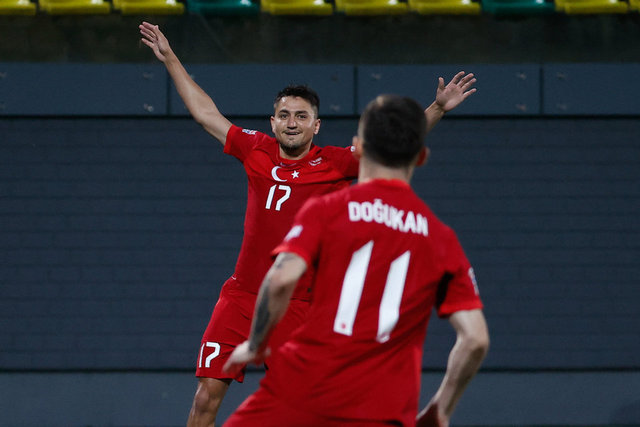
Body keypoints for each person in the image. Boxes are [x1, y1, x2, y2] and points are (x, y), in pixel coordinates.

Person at [139, 21, 478, 427]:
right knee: (204, 399)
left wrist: (437, 109)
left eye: (301, 116)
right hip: (242, 297)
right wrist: (170, 58)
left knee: (300, 411)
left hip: (301, 306)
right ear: (272, 122)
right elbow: (205, 113)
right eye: (284, 115)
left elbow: (392, 148)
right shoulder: (255, 149)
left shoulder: (335, 163)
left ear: (316, 126)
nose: (292, 122)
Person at [223, 94, 489, 427]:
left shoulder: (328, 210)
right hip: (385, 407)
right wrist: (441, 409)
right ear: (421, 157)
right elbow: (476, 339)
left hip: (305, 387)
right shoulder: (440, 238)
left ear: (358, 148)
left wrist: (255, 344)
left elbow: (279, 279)